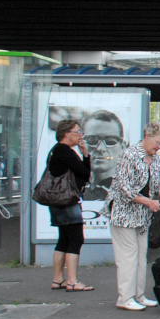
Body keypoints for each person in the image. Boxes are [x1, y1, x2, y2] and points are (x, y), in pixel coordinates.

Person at [105, 122, 160, 311]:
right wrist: (149, 202)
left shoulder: (156, 159)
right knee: (128, 255)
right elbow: (124, 188)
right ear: (147, 136)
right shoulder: (129, 155)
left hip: (142, 215)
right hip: (123, 213)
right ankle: (124, 298)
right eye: (159, 142)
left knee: (141, 255)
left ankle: (139, 295)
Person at [47, 119, 93, 292]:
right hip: (67, 200)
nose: (80, 135)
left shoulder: (55, 151)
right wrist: (85, 156)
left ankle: (58, 279)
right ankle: (73, 281)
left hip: (56, 200)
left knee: (64, 238)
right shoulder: (65, 151)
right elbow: (84, 174)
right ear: (66, 133)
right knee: (75, 238)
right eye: (77, 131)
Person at [81, 110, 126, 200]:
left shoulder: (127, 189)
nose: (101, 148)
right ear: (81, 144)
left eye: (110, 141)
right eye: (92, 140)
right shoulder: (71, 185)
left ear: (123, 147)